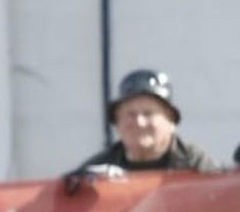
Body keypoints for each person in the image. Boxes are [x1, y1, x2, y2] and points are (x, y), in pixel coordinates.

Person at [64, 68, 222, 192]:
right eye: (130, 115)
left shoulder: (194, 162)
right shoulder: (98, 168)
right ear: (117, 123)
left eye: (148, 113)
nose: (139, 122)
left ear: (171, 122)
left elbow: (222, 193)